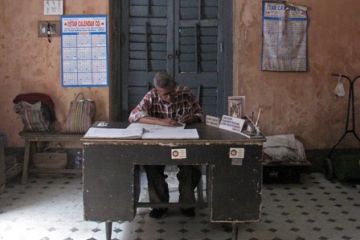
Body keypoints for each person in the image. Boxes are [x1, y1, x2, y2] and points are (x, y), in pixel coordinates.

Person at [128, 72, 203, 218]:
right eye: (164, 95)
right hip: (158, 144)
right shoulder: (151, 96)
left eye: (171, 93)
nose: (169, 98)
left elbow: (200, 114)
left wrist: (191, 117)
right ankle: (159, 206)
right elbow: (133, 116)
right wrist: (160, 121)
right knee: (152, 167)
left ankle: (186, 204)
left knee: (189, 168)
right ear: (157, 91)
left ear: (175, 86)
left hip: (183, 142)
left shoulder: (186, 93)